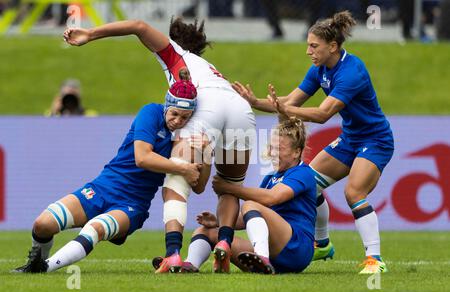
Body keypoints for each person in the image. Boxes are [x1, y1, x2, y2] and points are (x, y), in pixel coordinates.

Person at [63, 18, 256, 273]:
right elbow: (201, 185)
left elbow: (139, 26)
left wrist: (90, 33)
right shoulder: (209, 67)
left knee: (176, 179)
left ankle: (173, 253)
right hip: (240, 108)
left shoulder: (176, 58)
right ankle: (224, 240)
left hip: (206, 105)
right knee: (230, 186)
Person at [233, 11, 394, 274]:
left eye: (313, 46)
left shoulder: (352, 71)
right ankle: (322, 244)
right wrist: (255, 102)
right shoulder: (319, 69)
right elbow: (289, 102)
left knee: (353, 193)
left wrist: (284, 109)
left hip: (375, 140)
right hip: (351, 138)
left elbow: (322, 114)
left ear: (333, 46)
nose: (308, 51)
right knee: (310, 181)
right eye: (308, 45)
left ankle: (374, 259)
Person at [12, 75, 202, 273]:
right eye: (174, 114)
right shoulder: (151, 112)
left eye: (184, 117)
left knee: (95, 229)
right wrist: (182, 168)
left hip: (132, 204)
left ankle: (42, 269)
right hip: (103, 187)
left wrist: (201, 155)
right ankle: (35, 261)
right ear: (166, 106)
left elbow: (198, 183)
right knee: (42, 224)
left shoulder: (189, 135)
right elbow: (142, 158)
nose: (178, 121)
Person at [171, 119, 317, 274]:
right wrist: (218, 221)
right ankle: (189, 265)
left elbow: (272, 197)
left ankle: (261, 257)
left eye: (279, 149)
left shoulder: (303, 173)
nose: (273, 153)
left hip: (297, 248)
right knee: (206, 231)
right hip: (275, 254)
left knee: (250, 204)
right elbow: (251, 216)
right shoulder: (270, 178)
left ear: (297, 152)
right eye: (271, 148)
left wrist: (230, 188)